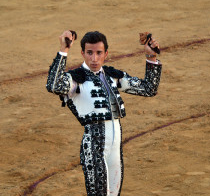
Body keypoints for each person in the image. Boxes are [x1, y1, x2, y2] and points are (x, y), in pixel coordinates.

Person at [46, 30, 162, 196]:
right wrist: (64, 50)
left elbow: (149, 89)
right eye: (89, 53)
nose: (94, 59)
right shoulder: (75, 79)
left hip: (115, 146)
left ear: (106, 54)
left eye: (99, 53)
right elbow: (53, 85)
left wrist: (151, 57)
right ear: (82, 53)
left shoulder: (112, 76)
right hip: (93, 147)